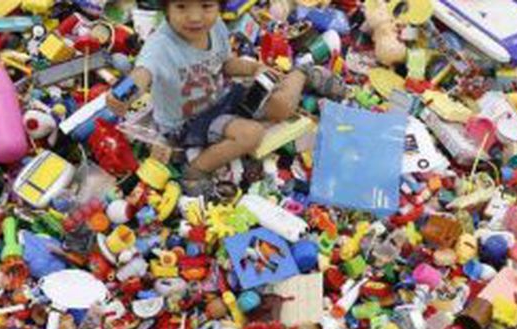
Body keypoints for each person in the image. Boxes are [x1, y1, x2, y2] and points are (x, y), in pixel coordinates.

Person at [108, 0, 346, 196]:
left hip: (225, 98)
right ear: (165, 9)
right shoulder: (160, 46)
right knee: (251, 133)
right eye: (181, 6)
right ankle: (197, 169)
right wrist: (122, 95)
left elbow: (226, 64)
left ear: (219, 7)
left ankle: (302, 73)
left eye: (206, 6)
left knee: (281, 106)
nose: (195, 17)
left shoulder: (216, 28)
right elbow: (142, 74)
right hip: (188, 122)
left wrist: (254, 69)